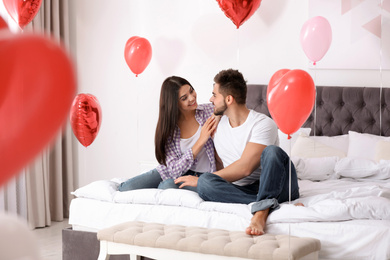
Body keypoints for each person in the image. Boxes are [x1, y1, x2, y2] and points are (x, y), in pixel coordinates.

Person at [175, 69, 301, 236]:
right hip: (242, 190)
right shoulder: (217, 124)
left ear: (229, 99)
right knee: (206, 183)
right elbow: (219, 162)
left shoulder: (263, 124)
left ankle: (261, 212)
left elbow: (245, 168)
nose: (211, 99)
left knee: (272, 152)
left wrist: (201, 180)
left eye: (214, 95)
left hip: (278, 185)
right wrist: (205, 181)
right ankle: (271, 204)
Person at [119, 76, 218, 192]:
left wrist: (219, 112)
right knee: (125, 188)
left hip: (201, 176)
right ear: (174, 103)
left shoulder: (209, 111)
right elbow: (174, 171)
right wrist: (200, 141)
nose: (192, 98)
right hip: (173, 171)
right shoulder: (169, 128)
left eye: (191, 91)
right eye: (184, 98)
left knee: (166, 186)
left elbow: (229, 105)